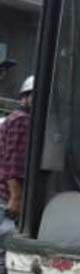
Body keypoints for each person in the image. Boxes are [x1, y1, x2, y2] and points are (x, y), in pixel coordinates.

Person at [0, 75, 33, 244]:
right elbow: (13, 161)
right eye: (32, 95)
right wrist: (16, 198)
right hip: (7, 197)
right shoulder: (21, 119)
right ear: (24, 98)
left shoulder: (13, 118)